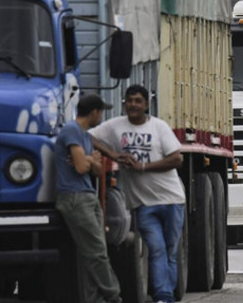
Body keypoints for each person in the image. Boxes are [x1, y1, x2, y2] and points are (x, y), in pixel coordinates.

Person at [90, 85, 185, 303]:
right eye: (130, 100)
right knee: (156, 249)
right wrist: (113, 154)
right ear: (124, 103)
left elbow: (177, 159)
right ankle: (163, 296)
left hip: (172, 201)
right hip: (143, 205)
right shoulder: (115, 126)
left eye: (138, 101)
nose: (133, 104)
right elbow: (87, 136)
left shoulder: (158, 127)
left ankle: (166, 295)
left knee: (170, 251)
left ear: (146, 104)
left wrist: (143, 167)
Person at [54, 94, 122, 303]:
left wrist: (89, 160)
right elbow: (83, 167)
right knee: (96, 253)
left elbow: (98, 169)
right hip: (74, 197)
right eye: (101, 111)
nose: (102, 115)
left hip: (87, 195)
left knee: (93, 253)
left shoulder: (84, 135)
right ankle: (114, 296)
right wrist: (89, 160)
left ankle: (95, 299)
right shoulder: (71, 130)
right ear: (94, 112)